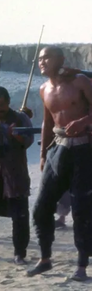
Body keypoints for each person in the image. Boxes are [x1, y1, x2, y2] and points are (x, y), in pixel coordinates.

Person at [27, 46, 92, 281]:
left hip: (83, 150)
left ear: (60, 60)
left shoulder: (79, 81)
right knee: (41, 208)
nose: (42, 62)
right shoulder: (43, 89)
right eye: (40, 59)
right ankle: (45, 259)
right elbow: (47, 123)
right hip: (57, 150)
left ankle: (82, 266)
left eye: (47, 57)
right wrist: (43, 154)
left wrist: (84, 122)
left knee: (81, 211)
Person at [0, 86, 33, 264]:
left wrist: (16, 135)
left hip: (15, 173)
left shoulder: (20, 119)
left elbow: (28, 141)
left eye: (2, 105)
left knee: (20, 215)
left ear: (8, 103)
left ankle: (20, 252)